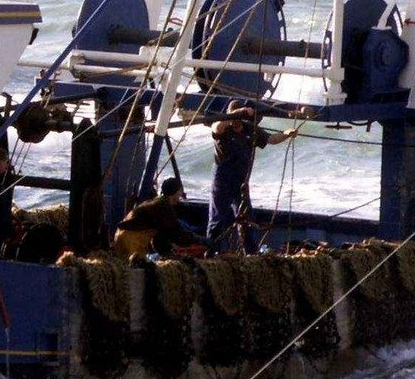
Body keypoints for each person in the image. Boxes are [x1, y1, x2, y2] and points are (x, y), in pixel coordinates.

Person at [208, 101, 297, 253]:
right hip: (222, 181)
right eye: (234, 116)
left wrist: (286, 134)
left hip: (241, 182)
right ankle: (210, 252)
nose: (236, 121)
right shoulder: (224, 129)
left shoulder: (249, 129)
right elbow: (216, 127)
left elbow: (271, 139)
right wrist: (236, 113)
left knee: (246, 219)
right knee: (218, 218)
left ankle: (250, 252)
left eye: (239, 117)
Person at [113, 177, 204, 260]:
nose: (181, 194)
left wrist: (167, 254)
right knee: (134, 269)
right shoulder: (163, 207)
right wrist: (199, 239)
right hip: (131, 240)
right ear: (175, 192)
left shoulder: (158, 202)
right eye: (180, 191)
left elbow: (160, 238)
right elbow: (177, 235)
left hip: (120, 236)